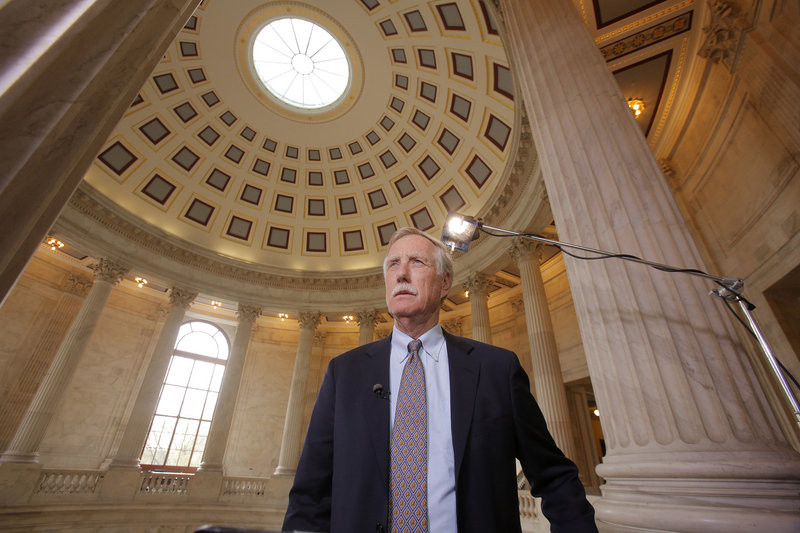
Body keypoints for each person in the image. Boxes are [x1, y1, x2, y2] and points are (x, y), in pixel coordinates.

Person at [282, 227, 597, 533]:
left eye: (416, 262)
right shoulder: (345, 373)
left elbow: (555, 476)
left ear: (445, 282)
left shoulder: (496, 369)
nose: (402, 274)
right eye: (393, 264)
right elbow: (310, 494)